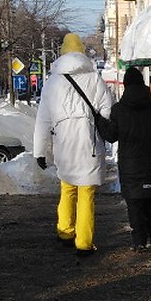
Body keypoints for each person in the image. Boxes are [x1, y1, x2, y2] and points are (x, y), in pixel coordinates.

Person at [33, 33, 114, 257]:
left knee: (67, 188)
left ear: (61, 53)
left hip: (64, 145)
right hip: (88, 144)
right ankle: (84, 243)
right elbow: (107, 111)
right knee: (86, 193)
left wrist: (40, 152)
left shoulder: (53, 82)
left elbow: (43, 120)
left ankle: (65, 231)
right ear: (81, 52)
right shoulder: (94, 78)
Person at [95, 67, 151, 251]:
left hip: (130, 165)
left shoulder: (119, 110)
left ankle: (139, 240)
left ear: (125, 85)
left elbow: (111, 135)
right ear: (143, 84)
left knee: (134, 203)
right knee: (150, 199)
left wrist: (99, 120)